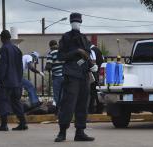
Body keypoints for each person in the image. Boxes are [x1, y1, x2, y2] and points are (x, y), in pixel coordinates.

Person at [54, 12, 98, 142]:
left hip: (84, 75)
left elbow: (87, 55)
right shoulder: (66, 37)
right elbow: (60, 56)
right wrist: (76, 51)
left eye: (78, 21)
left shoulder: (84, 38)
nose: (76, 23)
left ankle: (80, 132)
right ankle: (62, 132)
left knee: (83, 104)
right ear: (70, 22)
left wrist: (91, 65)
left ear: (81, 22)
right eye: (74, 21)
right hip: (71, 75)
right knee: (68, 104)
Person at [0, 30, 28, 131]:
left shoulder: (3, 49)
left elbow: (2, 67)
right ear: (10, 38)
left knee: (2, 101)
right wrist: (19, 79)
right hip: (17, 81)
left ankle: (4, 125)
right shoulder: (16, 49)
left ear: (2, 38)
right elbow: (20, 67)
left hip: (6, 82)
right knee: (16, 102)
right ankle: (23, 123)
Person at [45, 40, 64, 110]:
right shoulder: (63, 52)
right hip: (65, 76)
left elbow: (48, 66)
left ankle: (59, 110)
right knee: (64, 93)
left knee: (57, 94)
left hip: (57, 77)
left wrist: (47, 68)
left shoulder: (51, 53)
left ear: (50, 46)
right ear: (57, 45)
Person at [89, 45, 104, 114]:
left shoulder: (92, 50)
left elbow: (93, 62)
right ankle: (99, 109)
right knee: (98, 91)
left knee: (92, 92)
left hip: (94, 73)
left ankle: (91, 109)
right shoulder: (98, 50)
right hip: (99, 72)